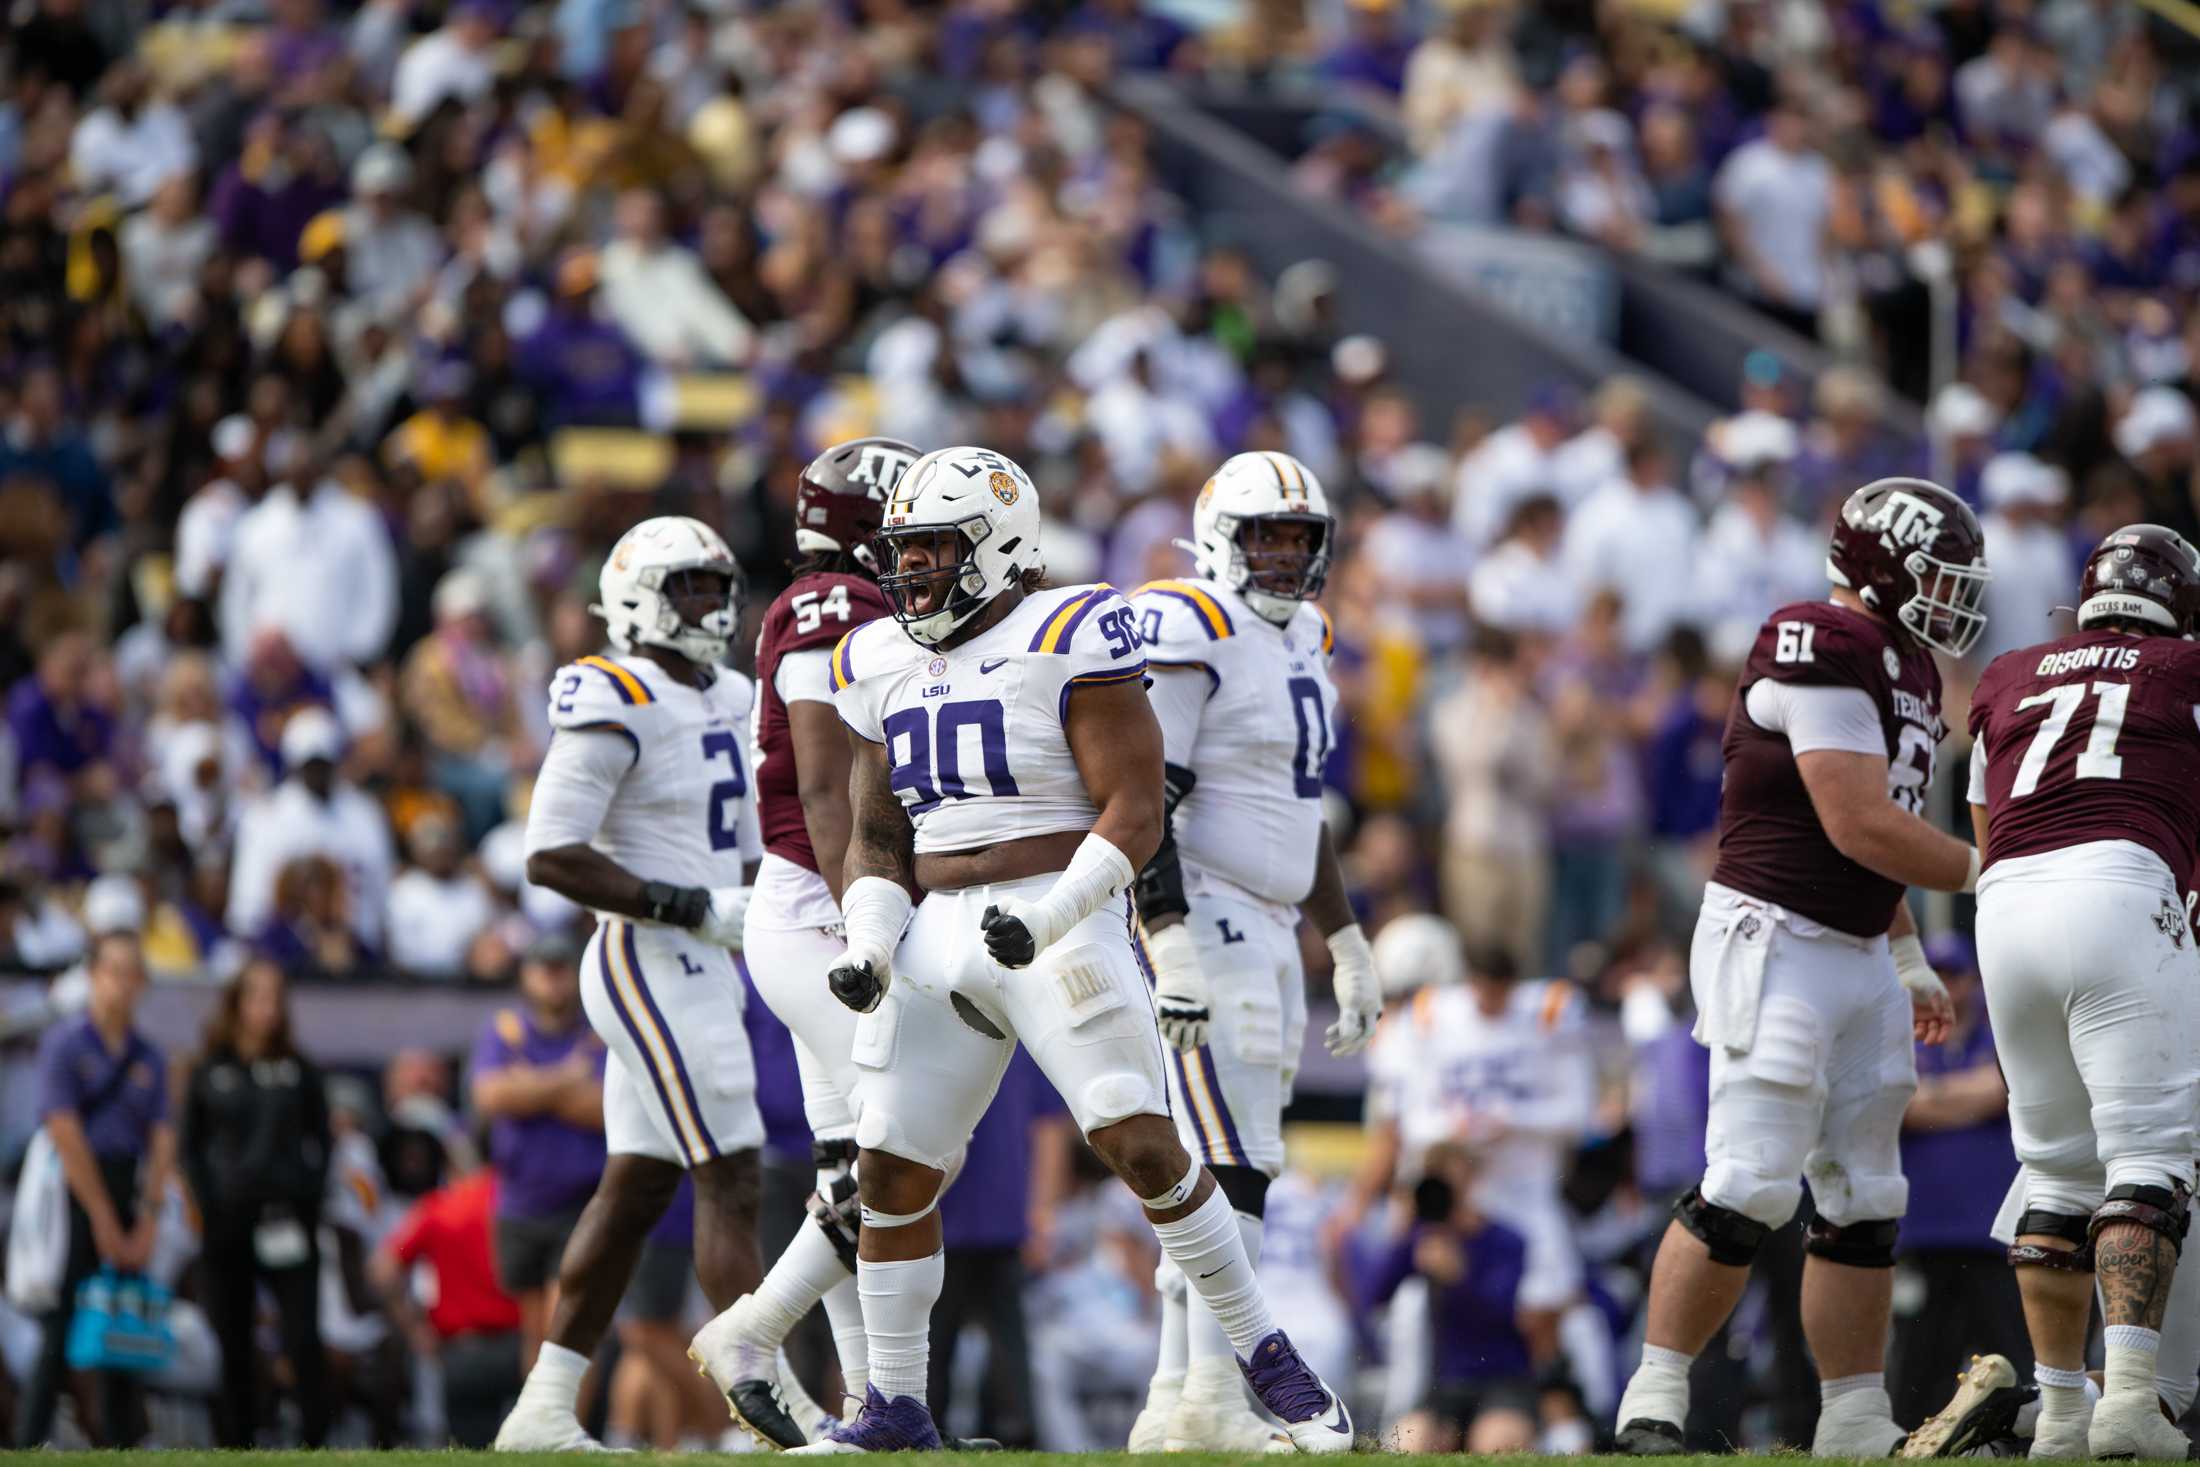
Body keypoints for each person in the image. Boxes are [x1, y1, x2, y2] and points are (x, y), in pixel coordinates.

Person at [787, 444, 1355, 1454]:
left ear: (999, 545)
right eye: (904, 552)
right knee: (890, 1170)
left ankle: (1277, 1367)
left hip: (1062, 906)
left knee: (1134, 1138)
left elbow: (1137, 809)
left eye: (934, 551)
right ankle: (894, 1406)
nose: (911, 572)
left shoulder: (1072, 626)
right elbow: (878, 833)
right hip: (938, 927)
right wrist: (870, 940)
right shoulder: (879, 658)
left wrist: (1051, 918)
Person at [1614, 478, 1991, 1457]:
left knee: (1866, 1196)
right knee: (1749, 1182)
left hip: (1859, 944)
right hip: (1774, 935)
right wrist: (1997, 872)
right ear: (1880, 564)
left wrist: (1906, 953)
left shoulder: (1902, 662)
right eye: (1935, 577)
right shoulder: (1821, 638)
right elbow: (1856, 821)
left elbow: (1879, 836)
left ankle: (1855, 1417)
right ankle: (1653, 1398)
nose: (1952, 600)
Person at [493, 515, 768, 1452]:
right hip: (649, 954)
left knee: (636, 1191)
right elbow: (551, 854)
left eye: (714, 585)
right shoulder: (615, 689)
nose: (708, 603)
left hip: (706, 956)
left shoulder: (731, 692)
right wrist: (687, 904)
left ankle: (541, 1409)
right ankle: (761, 1403)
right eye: (687, 586)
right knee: (732, 1170)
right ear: (637, 598)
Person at [1125, 449, 1381, 1451]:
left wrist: (1346, 935)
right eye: (1263, 535)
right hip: (1205, 907)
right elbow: (1147, 803)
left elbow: (1297, 805)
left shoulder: (1308, 632)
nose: (1282, 555)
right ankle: (1213, 1400)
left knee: (1218, 1158)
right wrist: (1169, 937)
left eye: (1298, 537)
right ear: (1217, 538)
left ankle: (1174, 1397)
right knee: (1236, 1163)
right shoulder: (1190, 621)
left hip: (1272, 919)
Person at [690, 436, 921, 1444]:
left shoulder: (809, 604)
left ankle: (865, 1405)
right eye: (906, 536)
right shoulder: (841, 609)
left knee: (846, 1167)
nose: (922, 556)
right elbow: (829, 790)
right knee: (905, 1153)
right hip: (817, 897)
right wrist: (862, 920)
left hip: (794, 897)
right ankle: (755, 1334)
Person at [1958, 524, 2200, 1459]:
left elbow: (1986, 819)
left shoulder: (2011, 671)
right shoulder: (2184, 669)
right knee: (2148, 1157)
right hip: (2122, 886)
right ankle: (2132, 1397)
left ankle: (2060, 1410)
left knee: (2057, 1170)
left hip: (2007, 902)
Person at [16, 932, 175, 1448]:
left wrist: (147, 1216)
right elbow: (65, 1130)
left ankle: (123, 1440)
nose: (121, 985)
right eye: (112, 971)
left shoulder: (149, 1055)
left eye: (132, 973)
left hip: (129, 1184)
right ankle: (30, 1438)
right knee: (61, 1317)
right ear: (94, 975)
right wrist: (102, 1216)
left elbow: (163, 1137)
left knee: (126, 1316)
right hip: (75, 1188)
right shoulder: (65, 1044)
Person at [178, 958, 334, 1447]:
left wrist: (305, 1188)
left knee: (303, 1336)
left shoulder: (299, 1068)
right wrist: (208, 1202)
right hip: (228, 1223)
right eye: (257, 996)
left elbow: (323, 1141)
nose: (267, 1008)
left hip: (289, 1219)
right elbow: (189, 1147)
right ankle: (237, 1443)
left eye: (275, 997)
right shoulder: (210, 1069)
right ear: (237, 1002)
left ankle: (315, 1442)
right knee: (233, 1337)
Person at [1884, 934, 2024, 1433]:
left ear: (1973, 981)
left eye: (1955, 975)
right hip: (1927, 1229)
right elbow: (1895, 1101)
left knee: (2011, 1352)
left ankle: (2018, 1440)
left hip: (1994, 1229)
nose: (1946, 987)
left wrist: (1933, 1100)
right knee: (1919, 1361)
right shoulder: (1899, 1033)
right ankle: (1912, 1440)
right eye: (1936, 975)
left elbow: (2002, 1091)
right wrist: (1969, 1095)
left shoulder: (2000, 1030)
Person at [468, 934, 606, 1370]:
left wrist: (529, 1086)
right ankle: (539, 1428)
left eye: (560, 969)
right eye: (543, 970)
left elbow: (601, 1108)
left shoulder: (597, 1031)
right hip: (520, 1197)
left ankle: (568, 1425)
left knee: (566, 1320)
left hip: (580, 1199)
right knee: (534, 1326)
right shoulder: (505, 1029)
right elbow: (490, 1096)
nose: (553, 981)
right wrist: (566, 1077)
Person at [1362, 1142, 1537, 1454]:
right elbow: (1374, 1296)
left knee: (1494, 1443)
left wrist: (1458, 1278)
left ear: (1472, 1182)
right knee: (1406, 1442)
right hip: (1444, 1386)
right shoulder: (1423, 1237)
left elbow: (1501, 1313)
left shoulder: (1506, 1240)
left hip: (1502, 1380)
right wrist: (1404, 1234)